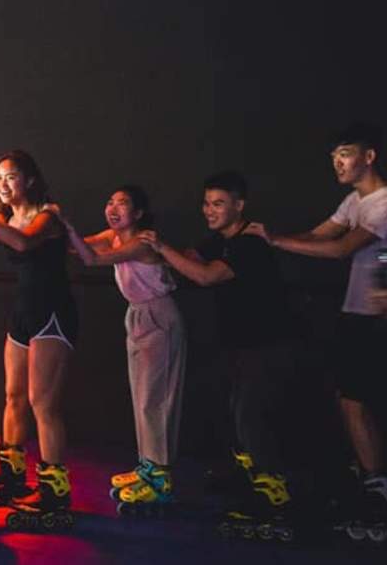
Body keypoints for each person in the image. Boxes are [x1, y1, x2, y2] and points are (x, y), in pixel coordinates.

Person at [245, 123, 387, 539]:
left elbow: (339, 249)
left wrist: (276, 241)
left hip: (385, 320)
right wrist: (265, 239)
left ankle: (381, 487)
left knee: (358, 401)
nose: (337, 162)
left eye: (345, 153)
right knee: (348, 400)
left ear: (369, 157)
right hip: (357, 316)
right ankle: (370, 479)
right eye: (334, 156)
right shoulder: (354, 201)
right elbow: (319, 234)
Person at [138, 171, 297, 540]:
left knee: (251, 418)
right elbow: (189, 259)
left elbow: (206, 276)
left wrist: (161, 247)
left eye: (219, 203)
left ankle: (275, 497)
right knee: (231, 414)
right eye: (207, 203)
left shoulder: (249, 244)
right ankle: (251, 482)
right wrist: (133, 248)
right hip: (238, 345)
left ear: (239, 205)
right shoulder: (218, 240)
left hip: (267, 345)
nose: (209, 210)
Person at [0, 150, 75, 530]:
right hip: (23, 314)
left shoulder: (48, 215)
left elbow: (22, 242)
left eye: (11, 177)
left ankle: (55, 490)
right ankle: (12, 472)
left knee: (43, 404)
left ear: (30, 180)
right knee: (13, 396)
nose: (3, 184)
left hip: (52, 314)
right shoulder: (4, 219)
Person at [62, 186, 186, 514]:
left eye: (122, 204)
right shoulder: (113, 236)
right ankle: (148, 465)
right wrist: (49, 231)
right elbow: (79, 247)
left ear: (139, 213)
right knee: (142, 396)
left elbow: (91, 258)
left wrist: (67, 227)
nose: (113, 209)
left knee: (156, 398)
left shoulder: (142, 242)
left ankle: (160, 478)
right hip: (138, 313)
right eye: (110, 202)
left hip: (158, 313)